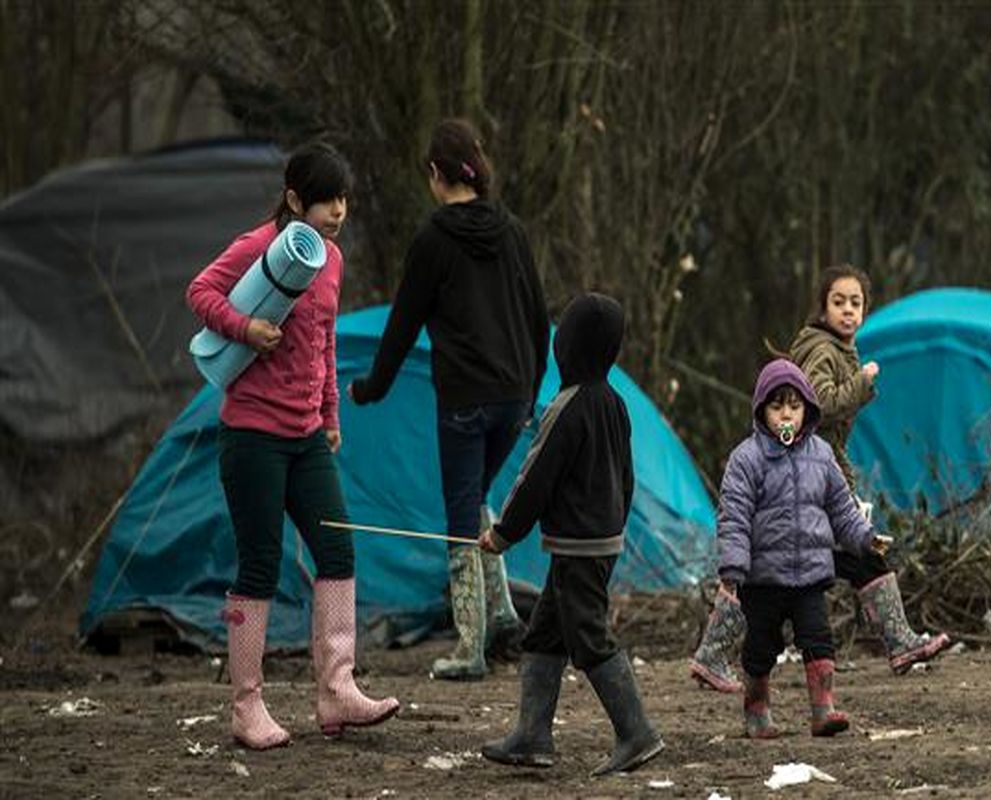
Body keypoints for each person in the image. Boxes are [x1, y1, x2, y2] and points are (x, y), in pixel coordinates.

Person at [187, 142, 399, 750]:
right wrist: (244, 327)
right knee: (259, 563)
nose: (339, 211)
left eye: (345, 199)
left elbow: (325, 341)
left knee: (337, 550)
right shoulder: (257, 247)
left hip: (307, 437)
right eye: (327, 200)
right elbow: (200, 292)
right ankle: (246, 703)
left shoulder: (330, 260)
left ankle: (336, 690)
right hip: (252, 435)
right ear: (293, 200)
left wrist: (330, 412)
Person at [349, 118, 549, 680]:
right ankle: (505, 616)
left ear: (436, 175)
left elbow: (403, 324)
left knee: (460, 514)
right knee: (479, 496)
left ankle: (470, 648)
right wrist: (531, 393)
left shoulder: (434, 239)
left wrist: (371, 389)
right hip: (512, 396)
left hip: (464, 397)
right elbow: (538, 318)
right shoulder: (511, 232)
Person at [689, 265, 950, 692]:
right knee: (763, 568)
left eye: (856, 303)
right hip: (800, 476)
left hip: (814, 472)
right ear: (823, 307)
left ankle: (715, 654)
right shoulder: (822, 349)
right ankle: (714, 654)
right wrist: (862, 383)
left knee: (831, 559)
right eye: (838, 302)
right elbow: (816, 405)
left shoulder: (838, 347)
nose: (848, 311)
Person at [478, 293, 664, 777]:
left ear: (569, 347)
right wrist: (616, 523)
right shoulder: (616, 404)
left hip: (580, 545)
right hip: (600, 541)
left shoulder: (566, 406)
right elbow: (627, 476)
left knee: (588, 636)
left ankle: (636, 732)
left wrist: (502, 534)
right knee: (544, 633)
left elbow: (534, 477)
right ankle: (532, 735)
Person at [718, 358, 886, 738]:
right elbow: (733, 517)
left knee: (818, 638)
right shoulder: (747, 459)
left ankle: (823, 708)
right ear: (762, 411)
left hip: (810, 573)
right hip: (763, 578)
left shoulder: (822, 455)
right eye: (777, 407)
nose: (786, 416)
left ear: (807, 409)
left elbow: (842, 508)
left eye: (794, 406)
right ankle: (757, 706)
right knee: (761, 646)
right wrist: (733, 568)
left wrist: (864, 537)